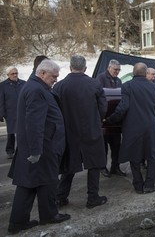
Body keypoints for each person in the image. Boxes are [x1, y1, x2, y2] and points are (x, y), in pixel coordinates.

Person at [7, 59, 70, 235]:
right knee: (46, 181)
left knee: (31, 183)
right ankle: (47, 216)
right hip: (43, 147)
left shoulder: (36, 87)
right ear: (42, 73)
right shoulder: (36, 90)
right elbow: (34, 123)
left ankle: (20, 221)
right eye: (53, 76)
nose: (56, 80)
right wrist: (36, 151)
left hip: (40, 145)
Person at [54, 55, 108, 209]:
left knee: (69, 165)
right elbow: (103, 108)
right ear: (85, 68)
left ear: (70, 67)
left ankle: (60, 197)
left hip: (69, 131)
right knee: (94, 164)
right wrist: (97, 119)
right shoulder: (94, 84)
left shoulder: (59, 86)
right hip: (90, 129)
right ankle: (93, 197)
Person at [106, 63, 155, 194]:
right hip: (150, 127)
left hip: (132, 127)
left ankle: (138, 185)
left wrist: (110, 119)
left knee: (134, 156)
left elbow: (123, 107)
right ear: (145, 72)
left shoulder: (127, 86)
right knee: (152, 156)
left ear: (133, 72)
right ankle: (149, 184)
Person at [96, 59, 126, 177]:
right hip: (104, 118)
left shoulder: (119, 81)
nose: (117, 72)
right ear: (109, 68)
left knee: (116, 145)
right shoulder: (101, 78)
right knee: (103, 147)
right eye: (115, 69)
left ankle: (115, 167)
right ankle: (102, 167)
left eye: (119, 70)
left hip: (115, 118)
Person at [0, 67, 26, 159]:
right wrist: (1, 114)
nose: (15, 75)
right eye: (12, 74)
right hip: (10, 113)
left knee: (23, 132)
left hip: (23, 112)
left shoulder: (23, 83)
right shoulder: (3, 85)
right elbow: (1, 101)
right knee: (11, 132)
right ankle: (10, 150)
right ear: (8, 75)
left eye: (16, 73)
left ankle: (23, 150)